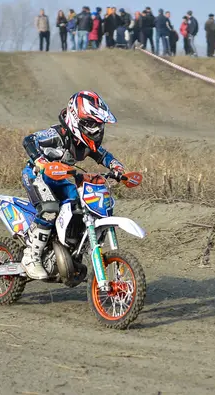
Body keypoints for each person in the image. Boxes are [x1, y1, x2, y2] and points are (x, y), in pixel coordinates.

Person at [20, 91, 126, 280]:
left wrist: (117, 168)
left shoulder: (86, 143)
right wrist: (41, 161)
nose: (96, 130)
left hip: (59, 178)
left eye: (99, 125)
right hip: (36, 175)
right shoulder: (57, 134)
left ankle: (67, 247)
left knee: (79, 206)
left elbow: (103, 155)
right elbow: (29, 141)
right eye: (92, 124)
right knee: (51, 209)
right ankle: (31, 256)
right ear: (77, 120)